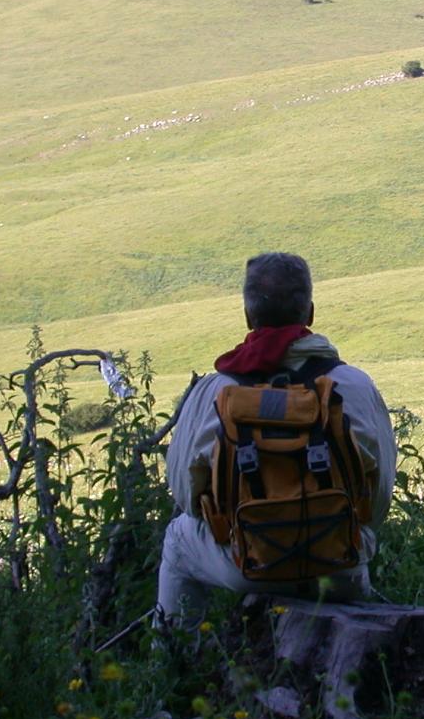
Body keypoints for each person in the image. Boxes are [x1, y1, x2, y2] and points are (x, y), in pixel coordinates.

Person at [155, 252, 396, 628]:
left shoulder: (216, 390)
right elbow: (379, 498)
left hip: (246, 565)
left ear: (249, 317)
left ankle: (173, 660)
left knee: (176, 539)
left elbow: (184, 494)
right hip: (340, 568)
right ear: (310, 313)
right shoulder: (354, 385)